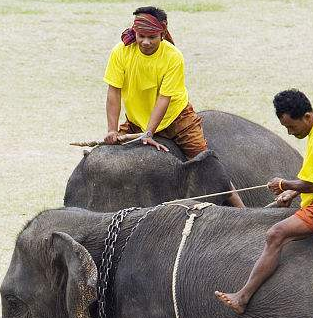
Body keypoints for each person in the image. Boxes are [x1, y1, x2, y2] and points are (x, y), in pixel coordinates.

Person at [215, 90, 313, 314]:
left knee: (276, 234)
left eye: (292, 127)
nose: (290, 133)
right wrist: (292, 195)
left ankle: (242, 298)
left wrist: (284, 185)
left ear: (307, 117)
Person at [102, 6, 246, 209]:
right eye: (141, 36)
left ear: (162, 32)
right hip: (136, 120)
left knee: (206, 164)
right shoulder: (121, 51)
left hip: (176, 118)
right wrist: (112, 129)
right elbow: (113, 92)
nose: (145, 42)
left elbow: (164, 98)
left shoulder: (173, 56)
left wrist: (149, 133)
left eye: (151, 37)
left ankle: (241, 210)